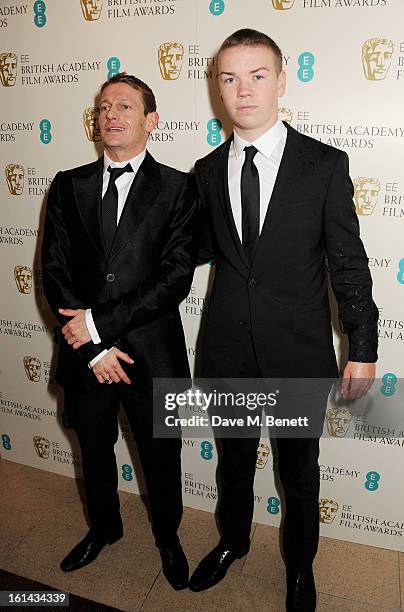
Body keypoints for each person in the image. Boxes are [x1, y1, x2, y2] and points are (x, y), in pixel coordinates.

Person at [189, 29, 378, 611]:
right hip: (227, 351)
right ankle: (233, 542)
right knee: (234, 464)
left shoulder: (323, 166)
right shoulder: (204, 168)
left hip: (296, 353)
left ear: (281, 78)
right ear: (217, 87)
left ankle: (300, 567)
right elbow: (183, 256)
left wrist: (363, 346)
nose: (242, 90)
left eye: (256, 75)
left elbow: (348, 263)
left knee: (299, 474)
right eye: (229, 78)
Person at [41, 72, 198, 590]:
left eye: (125, 106)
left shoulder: (179, 187)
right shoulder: (68, 184)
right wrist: (93, 347)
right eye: (105, 106)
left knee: (161, 455)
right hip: (87, 357)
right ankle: (105, 529)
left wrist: (97, 326)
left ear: (150, 121)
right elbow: (55, 273)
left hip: (153, 357)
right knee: (94, 449)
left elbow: (174, 279)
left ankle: (168, 537)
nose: (111, 114)